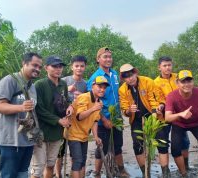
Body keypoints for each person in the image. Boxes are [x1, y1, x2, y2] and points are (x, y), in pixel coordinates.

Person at [0, 52, 42, 178]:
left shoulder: (32, 86)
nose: (37, 69)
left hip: (27, 142)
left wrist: (35, 136)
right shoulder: (9, 80)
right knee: (9, 175)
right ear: (24, 63)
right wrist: (20, 107)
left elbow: (32, 113)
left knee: (23, 174)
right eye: (34, 65)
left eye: (40, 67)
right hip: (10, 142)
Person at [87, 47, 129, 177]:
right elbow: (94, 102)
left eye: (110, 56)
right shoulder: (95, 78)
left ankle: (121, 170)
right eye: (105, 56)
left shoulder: (114, 74)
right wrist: (104, 120)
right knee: (102, 148)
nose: (108, 59)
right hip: (102, 120)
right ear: (98, 59)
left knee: (118, 145)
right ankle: (97, 173)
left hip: (116, 118)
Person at [118, 63, 164, 177]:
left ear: (135, 73)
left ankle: (166, 172)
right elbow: (124, 110)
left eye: (131, 74)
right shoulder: (122, 90)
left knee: (160, 142)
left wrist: (154, 118)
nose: (130, 78)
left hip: (152, 116)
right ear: (123, 78)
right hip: (136, 120)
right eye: (126, 76)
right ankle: (145, 172)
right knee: (137, 145)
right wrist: (129, 110)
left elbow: (154, 100)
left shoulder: (147, 81)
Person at [30, 56, 71, 178]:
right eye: (54, 66)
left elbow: (66, 101)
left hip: (57, 132)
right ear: (46, 68)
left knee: (51, 164)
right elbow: (38, 109)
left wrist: (70, 106)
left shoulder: (63, 84)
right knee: (38, 167)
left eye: (60, 66)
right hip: (41, 131)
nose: (58, 69)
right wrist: (58, 120)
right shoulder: (39, 85)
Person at [64, 76, 110, 178]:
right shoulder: (84, 97)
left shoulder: (99, 102)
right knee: (77, 161)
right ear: (93, 86)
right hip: (73, 134)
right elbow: (79, 116)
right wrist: (93, 108)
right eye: (99, 86)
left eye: (104, 87)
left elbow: (95, 121)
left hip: (84, 135)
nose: (102, 89)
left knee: (82, 161)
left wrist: (96, 136)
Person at [153, 56, 191, 176]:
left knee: (184, 141)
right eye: (164, 65)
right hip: (163, 116)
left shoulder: (178, 77)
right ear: (159, 67)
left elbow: (187, 89)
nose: (167, 67)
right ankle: (165, 172)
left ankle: (186, 165)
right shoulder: (155, 82)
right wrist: (160, 106)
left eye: (169, 65)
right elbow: (158, 99)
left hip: (179, 115)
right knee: (162, 143)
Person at [54, 55, 88, 178]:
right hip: (62, 122)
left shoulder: (85, 84)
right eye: (76, 66)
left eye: (82, 66)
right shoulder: (63, 81)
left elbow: (87, 102)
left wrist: (81, 97)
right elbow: (55, 96)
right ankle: (58, 175)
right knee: (60, 153)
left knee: (75, 155)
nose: (79, 68)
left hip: (77, 126)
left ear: (85, 67)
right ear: (71, 67)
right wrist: (68, 90)